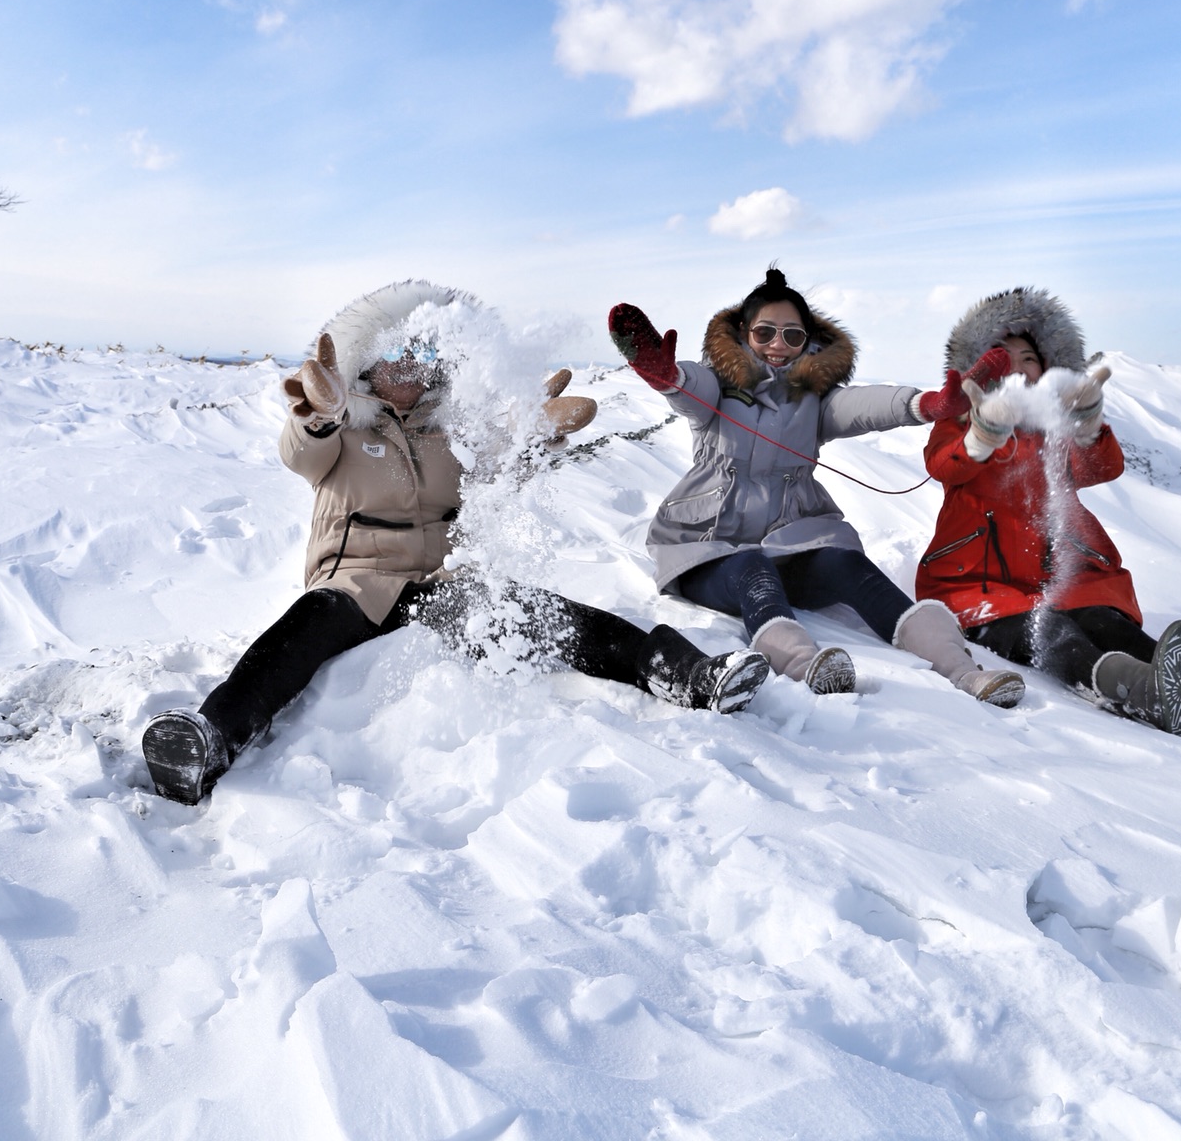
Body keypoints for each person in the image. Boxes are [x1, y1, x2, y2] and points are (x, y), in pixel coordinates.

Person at [142, 281, 772, 805]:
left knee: (548, 615)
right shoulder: (342, 424)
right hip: (354, 581)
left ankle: (691, 676)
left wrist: (534, 434)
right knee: (298, 635)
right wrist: (319, 413)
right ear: (372, 359)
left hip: (438, 587)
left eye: (428, 349)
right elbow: (300, 451)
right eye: (404, 350)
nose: (418, 362)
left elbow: (499, 474)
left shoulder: (453, 428)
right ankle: (210, 737)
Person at [607, 267, 1025, 706]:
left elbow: (862, 406)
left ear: (809, 341)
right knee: (752, 568)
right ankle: (808, 666)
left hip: (787, 544)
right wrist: (665, 374)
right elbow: (693, 389)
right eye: (765, 332)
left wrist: (931, 404)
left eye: (792, 335)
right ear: (743, 334)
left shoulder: (813, 399)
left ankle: (963, 671)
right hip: (707, 548)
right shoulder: (720, 387)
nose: (778, 345)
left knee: (848, 568)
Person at [917, 286, 1181, 760]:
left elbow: (1102, 467)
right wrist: (982, 434)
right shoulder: (960, 423)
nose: (1017, 365)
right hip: (982, 588)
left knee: (1118, 631)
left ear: (1049, 367)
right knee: (1054, 636)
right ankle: (1142, 692)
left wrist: (1088, 423)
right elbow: (946, 466)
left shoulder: (1056, 427)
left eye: (1029, 357)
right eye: (1000, 355)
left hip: (1068, 578)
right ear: (980, 367)